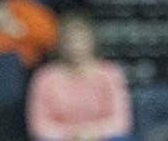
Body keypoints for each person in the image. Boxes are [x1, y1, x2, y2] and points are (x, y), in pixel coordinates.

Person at [25, 12, 134, 141]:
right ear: (59, 44)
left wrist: (92, 133)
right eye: (70, 40)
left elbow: (121, 121)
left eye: (81, 39)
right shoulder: (44, 77)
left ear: (92, 40)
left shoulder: (110, 73)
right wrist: (72, 135)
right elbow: (39, 126)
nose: (75, 46)